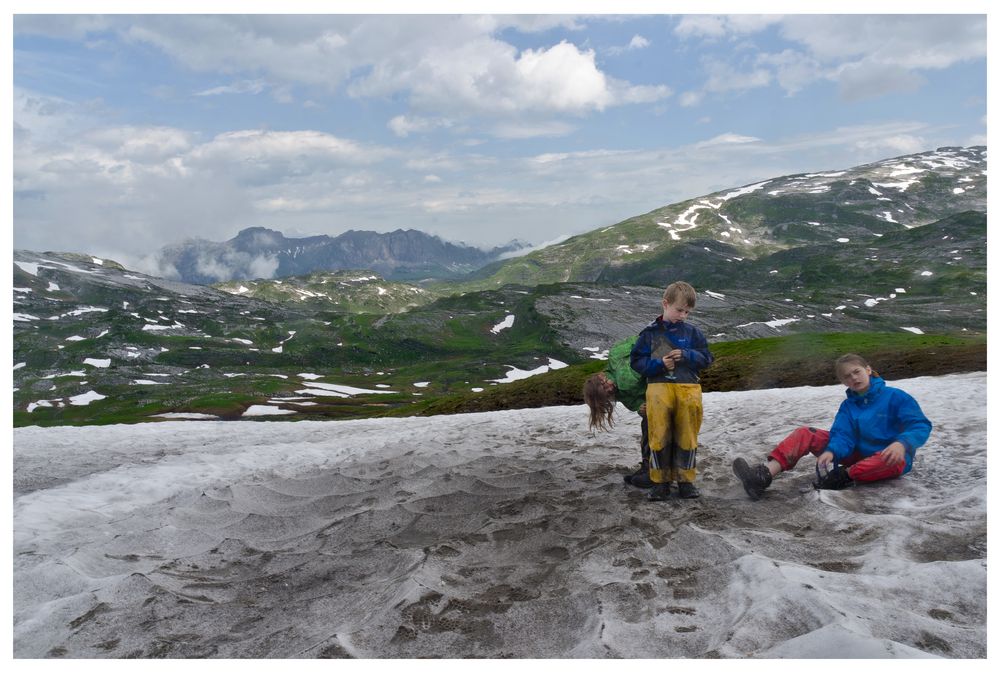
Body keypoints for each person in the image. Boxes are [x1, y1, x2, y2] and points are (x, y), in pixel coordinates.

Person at [732, 353, 932, 500]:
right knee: (806, 433)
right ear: (842, 381)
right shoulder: (848, 406)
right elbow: (843, 434)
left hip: (889, 456)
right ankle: (763, 476)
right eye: (847, 376)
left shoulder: (896, 397)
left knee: (893, 460)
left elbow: (920, 425)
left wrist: (902, 444)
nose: (854, 378)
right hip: (857, 454)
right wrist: (831, 451)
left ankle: (843, 476)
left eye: (857, 372)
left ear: (868, 370)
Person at [630, 281, 714, 501]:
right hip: (658, 391)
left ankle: (686, 481)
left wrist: (687, 355)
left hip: (689, 391)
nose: (683, 315)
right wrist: (659, 365)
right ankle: (660, 483)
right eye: (679, 310)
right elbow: (636, 361)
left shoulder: (693, 333)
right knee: (659, 435)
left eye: (687, 312)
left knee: (687, 435)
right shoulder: (649, 333)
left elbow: (707, 358)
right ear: (665, 304)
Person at [583, 336, 651, 488]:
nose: (611, 389)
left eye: (605, 386)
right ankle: (648, 467)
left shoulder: (615, 354)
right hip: (657, 399)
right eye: (607, 394)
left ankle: (655, 471)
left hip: (663, 374)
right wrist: (641, 408)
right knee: (647, 426)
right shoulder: (621, 393)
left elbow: (642, 339)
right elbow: (636, 404)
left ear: (600, 376)